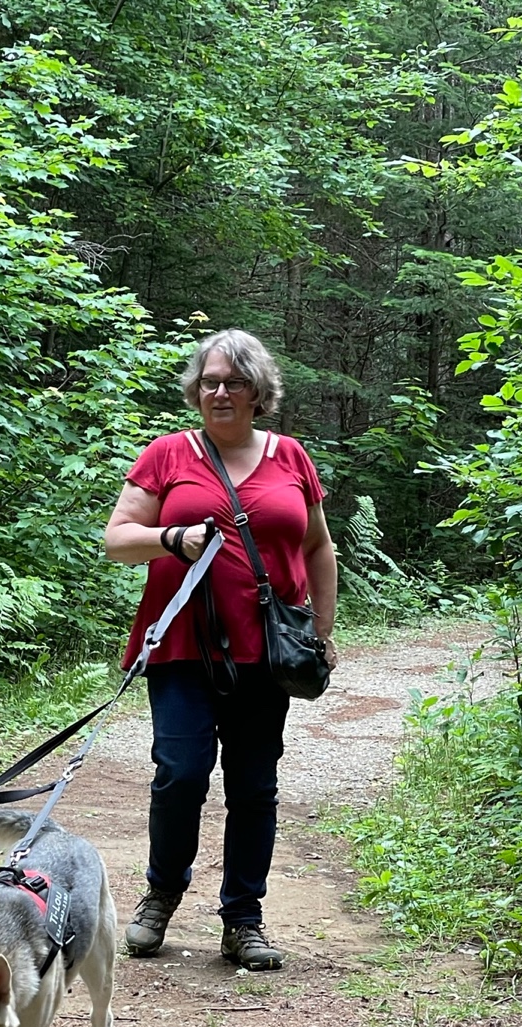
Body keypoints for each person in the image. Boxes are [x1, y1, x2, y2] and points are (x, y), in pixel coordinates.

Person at [103, 328, 337, 971]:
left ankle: (243, 919)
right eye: (209, 381)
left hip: (267, 655)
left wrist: (321, 627)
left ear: (258, 391)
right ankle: (162, 893)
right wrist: (170, 536)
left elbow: (318, 548)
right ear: (195, 390)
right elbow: (118, 539)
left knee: (255, 786)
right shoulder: (168, 455)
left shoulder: (291, 458)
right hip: (181, 648)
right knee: (179, 775)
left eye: (233, 381)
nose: (220, 391)